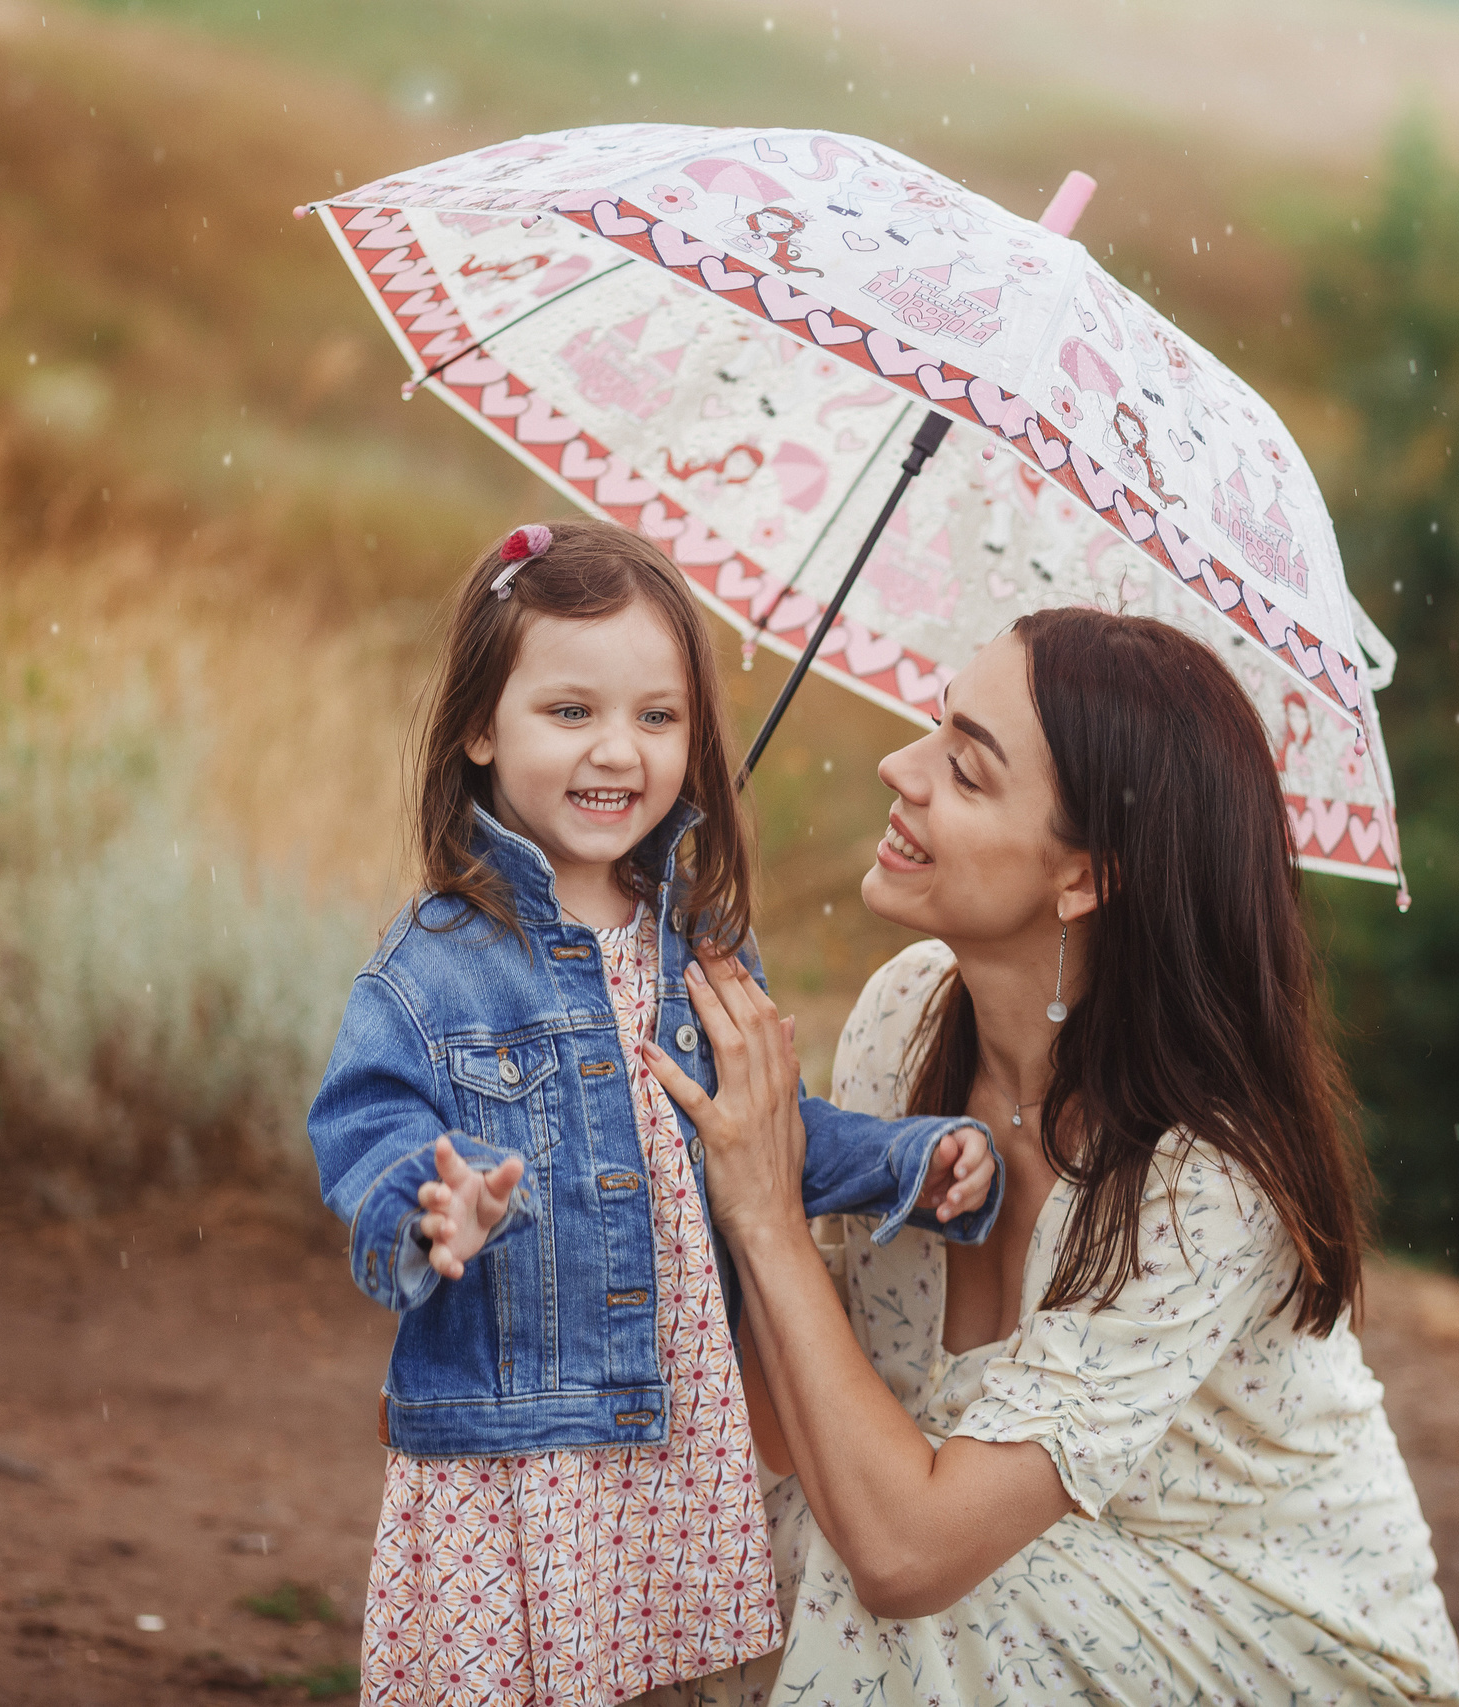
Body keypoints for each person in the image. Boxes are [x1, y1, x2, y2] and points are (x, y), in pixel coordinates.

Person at [647, 606, 1459, 1704]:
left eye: (967, 772)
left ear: (1085, 877)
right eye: (935, 730)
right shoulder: (906, 1016)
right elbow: (791, 1424)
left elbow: (908, 1556)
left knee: (878, 1594)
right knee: (710, 1551)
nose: (900, 767)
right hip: (1012, 1581)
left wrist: (763, 1213)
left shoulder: (1203, 1180)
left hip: (1270, 1636)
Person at [306, 519, 1000, 1707]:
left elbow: (768, 1139)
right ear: (480, 728)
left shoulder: (706, 952)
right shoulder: (434, 971)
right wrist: (436, 1210)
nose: (615, 751)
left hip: (674, 1446)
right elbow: (363, 1135)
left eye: (656, 718)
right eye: (569, 713)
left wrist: (908, 1159)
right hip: (519, 1460)